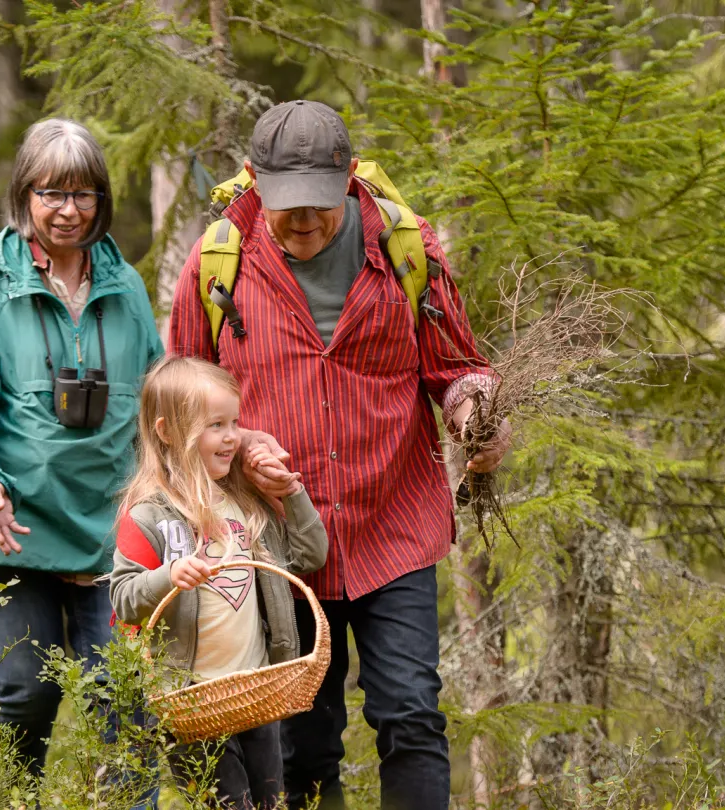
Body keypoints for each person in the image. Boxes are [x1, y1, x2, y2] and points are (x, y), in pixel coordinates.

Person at [169, 100, 510, 810]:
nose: (303, 223)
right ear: (255, 182)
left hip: (394, 524)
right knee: (303, 740)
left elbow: (457, 369)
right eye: (286, 207)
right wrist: (239, 451)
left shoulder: (407, 250)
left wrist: (477, 411)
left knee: (410, 715)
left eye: (318, 207)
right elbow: (180, 404)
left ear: (348, 179)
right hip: (277, 541)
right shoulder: (216, 262)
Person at [0, 117, 165, 791]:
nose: (68, 210)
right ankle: (14, 799)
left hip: (104, 531)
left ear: (102, 201)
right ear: (23, 195)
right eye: (50, 193)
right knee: (30, 688)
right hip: (8, 527)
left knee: (124, 699)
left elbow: (153, 409)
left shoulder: (125, 288)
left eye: (83, 194)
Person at [110, 356, 328, 810]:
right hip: (194, 703)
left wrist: (291, 492)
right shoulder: (149, 515)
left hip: (254, 693)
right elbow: (124, 597)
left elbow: (309, 556)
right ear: (168, 431)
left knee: (270, 803)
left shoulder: (243, 503)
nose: (233, 436)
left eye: (235, 421)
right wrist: (166, 576)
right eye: (215, 425)